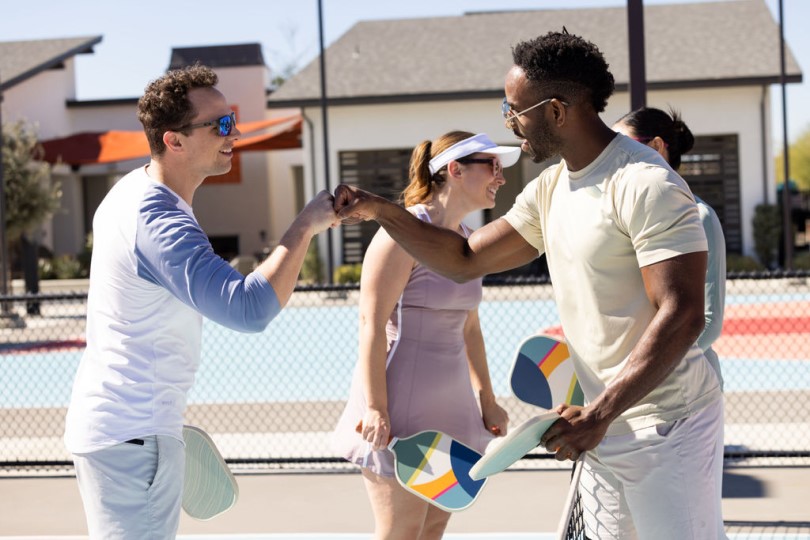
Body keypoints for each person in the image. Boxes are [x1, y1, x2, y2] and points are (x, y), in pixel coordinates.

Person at [334, 31, 725, 539]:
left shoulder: (647, 185)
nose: (508, 121)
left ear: (558, 111)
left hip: (668, 426)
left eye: (514, 108)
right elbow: (462, 258)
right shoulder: (551, 187)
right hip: (603, 427)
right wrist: (381, 210)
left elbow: (683, 313)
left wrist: (599, 413)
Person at [64, 64, 339, 540]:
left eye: (232, 119)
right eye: (221, 125)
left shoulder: (128, 192)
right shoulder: (159, 219)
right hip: (134, 437)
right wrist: (305, 226)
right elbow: (248, 309)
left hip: (120, 431)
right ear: (174, 141)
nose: (235, 133)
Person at [332, 131, 513, 540]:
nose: (500, 177)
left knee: (433, 530)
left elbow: (470, 326)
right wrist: (377, 407)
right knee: (401, 531)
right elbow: (371, 324)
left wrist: (487, 399)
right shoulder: (400, 234)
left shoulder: (468, 241)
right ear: (454, 169)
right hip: (401, 407)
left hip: (453, 409)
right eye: (493, 166)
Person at [613, 106, 727, 390]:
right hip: (630, 389)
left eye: (622, 146)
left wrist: (638, 368)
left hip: (688, 393)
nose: (612, 158)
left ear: (656, 147)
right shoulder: (622, 217)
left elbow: (708, 322)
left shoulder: (699, 216)